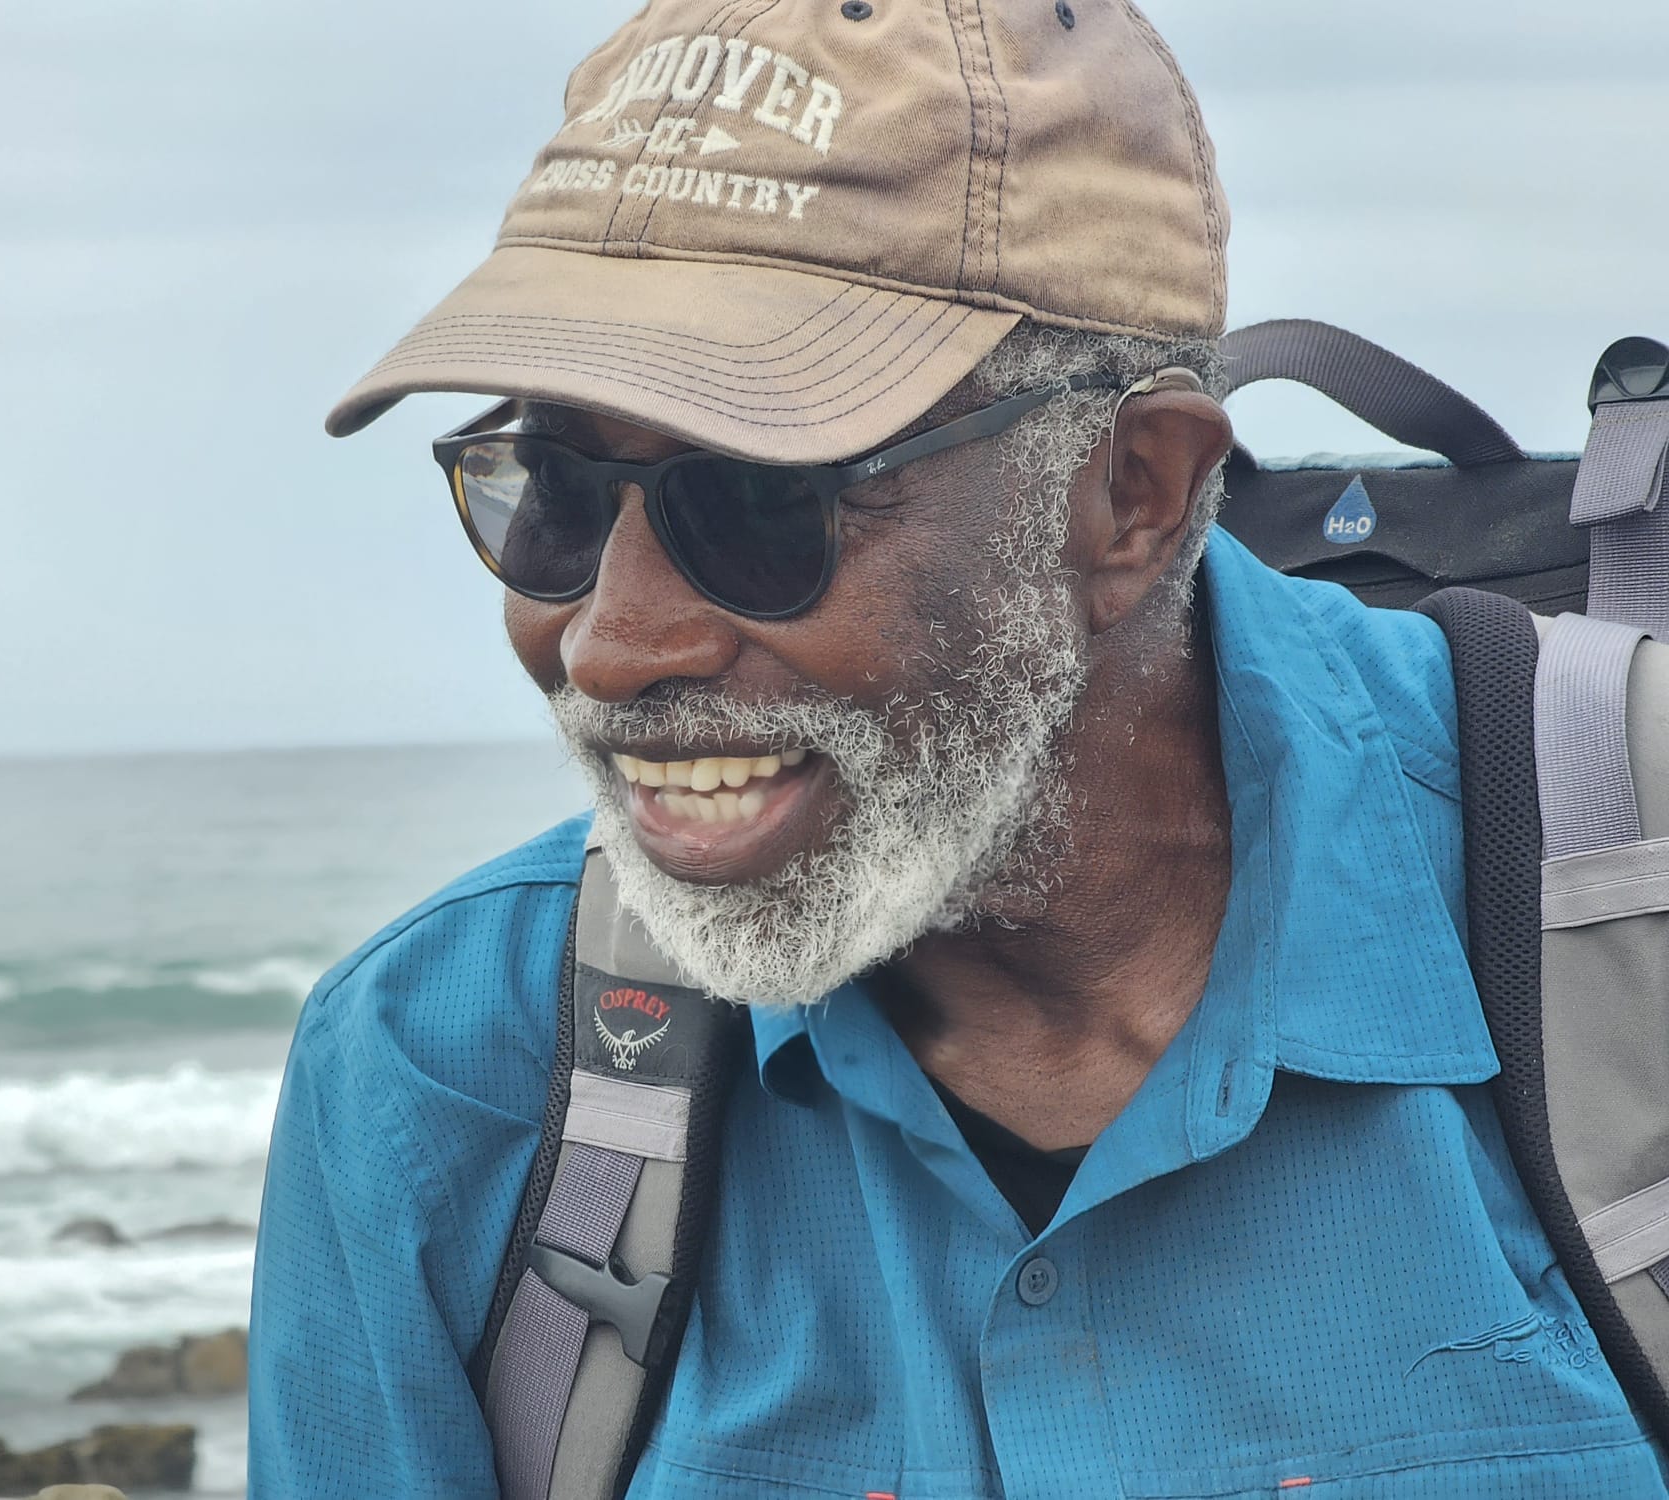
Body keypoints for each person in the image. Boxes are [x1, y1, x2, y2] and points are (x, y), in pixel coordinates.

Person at [248, 0, 1668, 1495]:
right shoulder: (439, 1074)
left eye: (757, 502)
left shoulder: (1624, 920)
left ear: (1130, 494)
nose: (609, 645)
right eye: (546, 487)